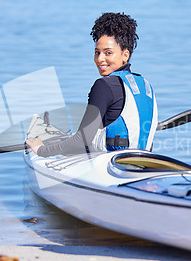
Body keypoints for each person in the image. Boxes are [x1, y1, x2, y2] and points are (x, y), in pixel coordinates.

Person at [25, 12, 158, 157]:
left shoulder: (104, 86)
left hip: (109, 168)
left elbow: (80, 141)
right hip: (144, 163)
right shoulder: (146, 86)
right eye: (97, 52)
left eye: (108, 53)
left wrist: (41, 150)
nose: (100, 59)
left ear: (125, 55)